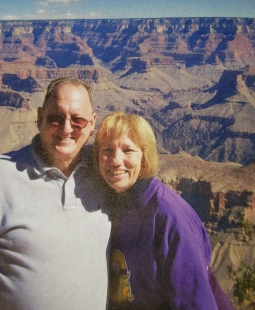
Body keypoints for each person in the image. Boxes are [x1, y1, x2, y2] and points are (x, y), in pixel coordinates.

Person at [0, 78, 111, 309]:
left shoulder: (106, 175)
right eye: (55, 118)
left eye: (77, 120)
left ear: (92, 124)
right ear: (39, 118)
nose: (66, 128)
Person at [94, 111, 234, 309]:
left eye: (128, 150)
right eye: (107, 150)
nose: (116, 160)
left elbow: (194, 303)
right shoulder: (114, 202)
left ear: (145, 157)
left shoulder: (169, 217)